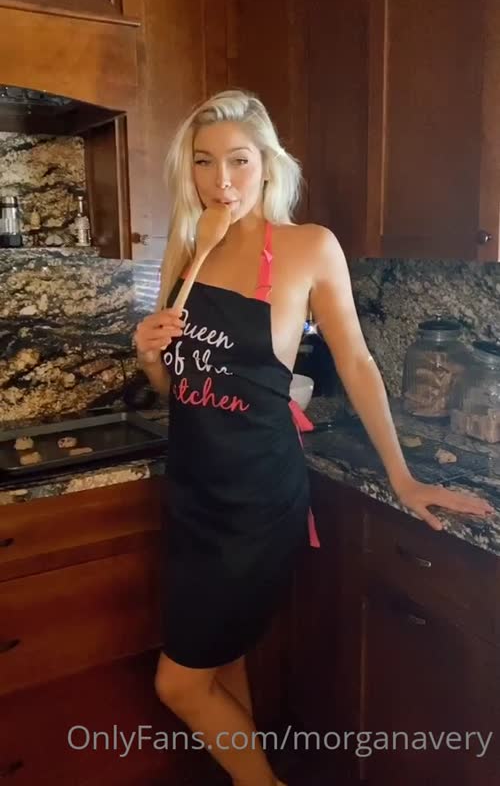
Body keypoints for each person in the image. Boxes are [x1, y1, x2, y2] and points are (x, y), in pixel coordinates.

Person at [133, 89, 493, 786]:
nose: (221, 180)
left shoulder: (305, 248)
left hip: (256, 500)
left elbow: (356, 362)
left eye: (239, 160)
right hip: (193, 493)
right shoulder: (187, 250)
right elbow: (179, 387)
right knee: (220, 661)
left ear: (267, 165)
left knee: (178, 683)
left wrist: (403, 476)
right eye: (204, 162)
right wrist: (149, 356)